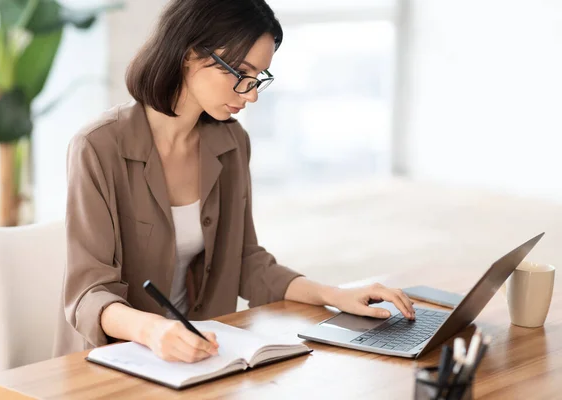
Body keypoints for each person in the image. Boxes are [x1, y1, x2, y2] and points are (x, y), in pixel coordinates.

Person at [53, 0, 416, 362]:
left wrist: (334, 295)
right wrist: (154, 330)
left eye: (258, 78)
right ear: (189, 54)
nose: (252, 93)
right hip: (117, 361)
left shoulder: (230, 143)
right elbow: (89, 292)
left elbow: (245, 261)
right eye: (240, 73)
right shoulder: (98, 147)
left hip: (205, 354)